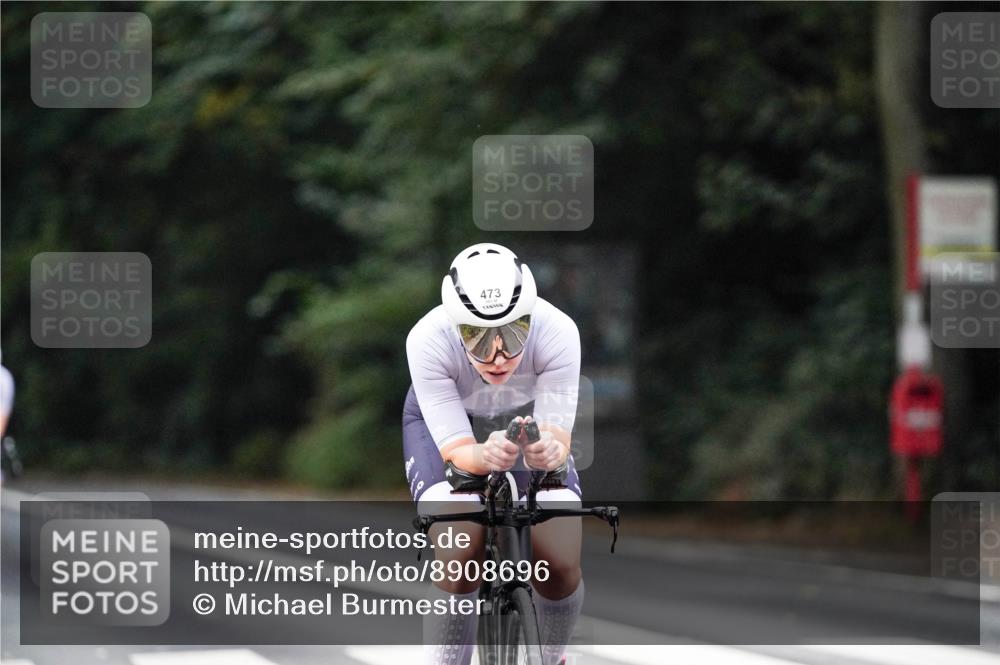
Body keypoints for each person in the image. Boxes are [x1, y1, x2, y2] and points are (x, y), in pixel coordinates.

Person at [403, 243, 584, 665]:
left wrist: (547, 451)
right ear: (456, 326)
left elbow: (556, 436)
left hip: (526, 420)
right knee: (460, 548)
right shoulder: (427, 339)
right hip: (453, 426)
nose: (499, 354)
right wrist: (484, 457)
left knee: (559, 559)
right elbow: (458, 452)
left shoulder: (559, 331)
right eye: (479, 339)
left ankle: (552, 657)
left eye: (514, 333)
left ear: (531, 317)